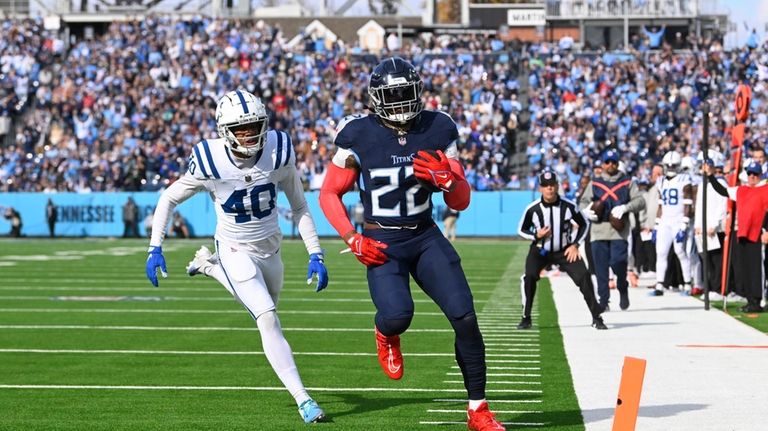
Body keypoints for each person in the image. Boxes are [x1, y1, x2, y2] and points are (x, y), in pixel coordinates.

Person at [318, 57, 506, 431]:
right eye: (395, 95)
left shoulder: (438, 125)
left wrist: (448, 180)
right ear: (377, 98)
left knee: (465, 316)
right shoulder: (357, 133)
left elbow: (461, 201)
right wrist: (352, 238)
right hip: (382, 239)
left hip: (423, 234)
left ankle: (478, 409)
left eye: (408, 93)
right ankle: (385, 333)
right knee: (398, 315)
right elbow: (329, 193)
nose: (403, 101)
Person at [145, 89, 329, 423]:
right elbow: (168, 198)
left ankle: (209, 268)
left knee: (266, 306)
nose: (249, 134)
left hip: (271, 247)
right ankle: (304, 399)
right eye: (241, 129)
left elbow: (300, 205)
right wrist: (155, 246)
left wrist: (315, 252)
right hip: (233, 247)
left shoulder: (279, 149)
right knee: (266, 315)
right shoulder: (209, 159)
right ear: (224, 130)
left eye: (254, 126)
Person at [519, 170, 607, 330]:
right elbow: (521, 230)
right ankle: (526, 317)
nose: (549, 188)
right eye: (545, 185)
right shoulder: (533, 209)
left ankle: (597, 317)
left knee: (584, 277)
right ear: (540, 188)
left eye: (552, 185)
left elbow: (584, 224)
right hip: (540, 250)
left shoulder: (568, 206)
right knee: (529, 277)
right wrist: (536, 234)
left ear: (557, 186)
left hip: (564, 251)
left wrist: (575, 245)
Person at [579, 149, 645, 311]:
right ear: (602, 164)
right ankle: (604, 300)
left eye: (613, 162)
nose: (610, 165)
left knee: (618, 262)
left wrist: (625, 207)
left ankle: (622, 286)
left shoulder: (627, 182)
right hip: (598, 230)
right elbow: (583, 202)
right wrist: (586, 211)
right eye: (607, 162)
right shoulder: (595, 183)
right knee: (601, 269)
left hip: (618, 230)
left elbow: (640, 201)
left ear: (617, 163)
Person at [705, 161, 767, 312]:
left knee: (757, 270)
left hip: (757, 234)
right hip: (743, 233)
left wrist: (766, 231)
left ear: (760, 175)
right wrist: (711, 176)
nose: (752, 177)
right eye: (750, 173)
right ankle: (750, 299)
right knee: (744, 268)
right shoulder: (741, 190)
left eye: (755, 174)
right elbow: (722, 190)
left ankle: (758, 300)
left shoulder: (765, 189)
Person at [650, 151, 694, 296]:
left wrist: (684, 224)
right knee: (660, 252)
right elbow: (661, 204)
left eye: (673, 165)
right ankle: (659, 284)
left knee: (680, 251)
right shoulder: (661, 181)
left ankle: (687, 284)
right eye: (668, 165)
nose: (670, 167)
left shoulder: (684, 179)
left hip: (678, 220)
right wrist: (656, 225)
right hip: (665, 221)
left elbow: (688, 203)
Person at [694, 151, 727, 298]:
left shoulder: (720, 183)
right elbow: (700, 207)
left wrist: (714, 224)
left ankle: (717, 288)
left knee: (716, 260)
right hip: (703, 228)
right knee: (706, 259)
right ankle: (708, 287)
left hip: (714, 229)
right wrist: (698, 225)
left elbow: (722, 205)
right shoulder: (702, 185)